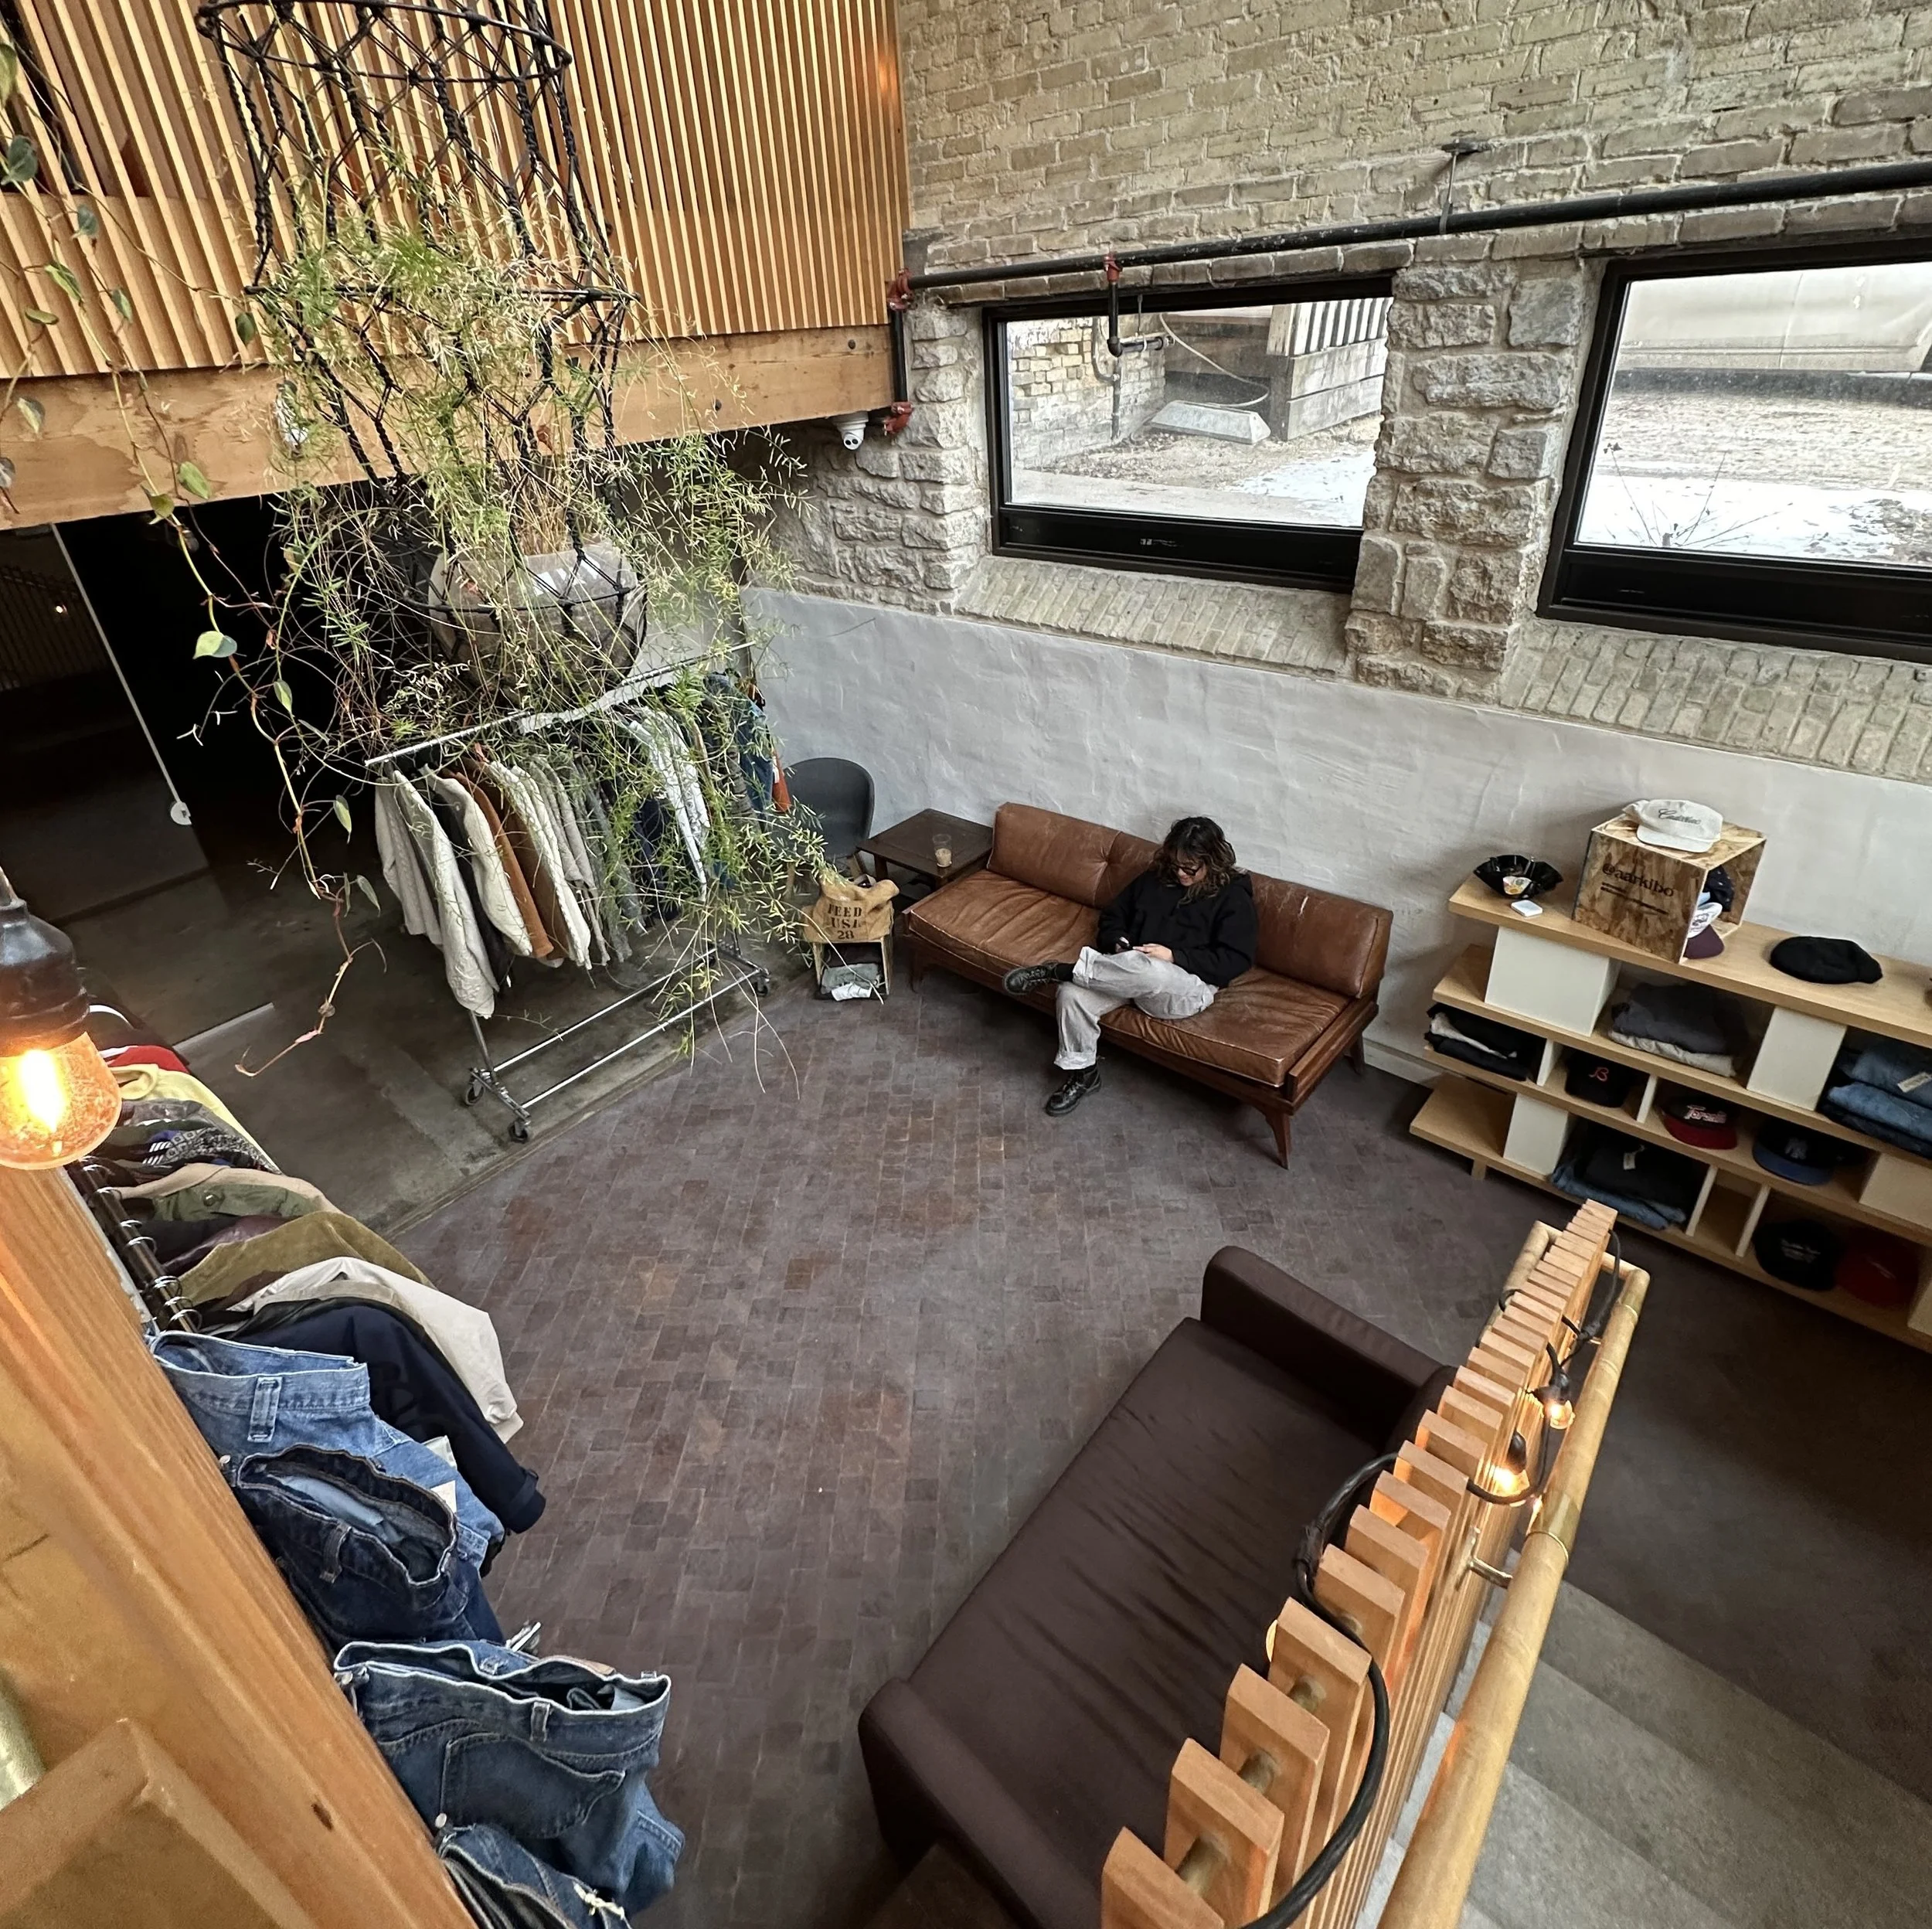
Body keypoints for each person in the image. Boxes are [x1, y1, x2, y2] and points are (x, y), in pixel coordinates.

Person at [1002, 815, 1257, 1116]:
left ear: (1212, 861)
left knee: (1148, 968)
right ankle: (1083, 1074)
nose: (1181, 874)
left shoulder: (1233, 897)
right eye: (1176, 864)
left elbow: (1236, 960)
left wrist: (1175, 956)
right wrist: (1118, 942)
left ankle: (1059, 970)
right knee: (1071, 995)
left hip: (1185, 988)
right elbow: (1113, 916)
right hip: (1128, 972)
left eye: (1190, 868)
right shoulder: (1155, 878)